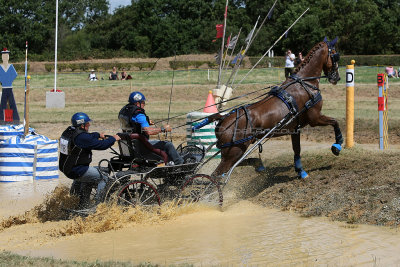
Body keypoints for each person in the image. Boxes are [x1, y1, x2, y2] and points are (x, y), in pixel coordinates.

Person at [59, 112, 121, 208]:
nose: (89, 125)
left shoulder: (69, 131)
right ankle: (99, 206)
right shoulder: (81, 138)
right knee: (103, 177)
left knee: (92, 175)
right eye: (87, 123)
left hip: (67, 167)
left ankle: (80, 204)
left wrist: (97, 135)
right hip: (76, 169)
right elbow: (102, 145)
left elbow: (86, 137)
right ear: (82, 125)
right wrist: (113, 139)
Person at [118, 91, 184, 165]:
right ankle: (180, 164)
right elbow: (148, 131)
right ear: (137, 103)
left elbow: (131, 123)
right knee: (168, 144)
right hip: (142, 146)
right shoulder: (139, 114)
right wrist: (163, 129)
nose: (144, 105)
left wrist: (146, 121)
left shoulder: (125, 111)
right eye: (143, 102)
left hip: (131, 146)